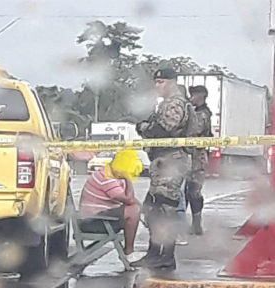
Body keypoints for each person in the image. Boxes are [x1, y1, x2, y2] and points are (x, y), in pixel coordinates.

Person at [131, 68, 191, 270]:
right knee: (153, 208)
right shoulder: (165, 103)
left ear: (173, 82)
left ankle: (164, 255)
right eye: (156, 82)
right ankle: (155, 253)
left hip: (171, 160)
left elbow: (163, 130)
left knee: (164, 209)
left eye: (161, 82)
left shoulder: (175, 103)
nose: (157, 86)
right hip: (162, 160)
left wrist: (143, 127)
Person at [79, 152, 141, 261]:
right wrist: (128, 179)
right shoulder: (106, 177)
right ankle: (129, 253)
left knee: (135, 208)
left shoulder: (109, 173)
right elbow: (129, 199)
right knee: (133, 211)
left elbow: (130, 200)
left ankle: (129, 252)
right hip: (93, 221)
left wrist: (143, 210)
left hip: (99, 217)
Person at [186, 85, 212, 235]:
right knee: (187, 192)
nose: (191, 98)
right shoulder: (197, 112)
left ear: (201, 96)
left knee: (194, 192)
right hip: (190, 157)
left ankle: (197, 224)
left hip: (197, 158)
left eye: (194, 95)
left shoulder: (203, 114)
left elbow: (194, 131)